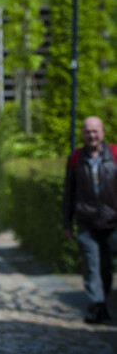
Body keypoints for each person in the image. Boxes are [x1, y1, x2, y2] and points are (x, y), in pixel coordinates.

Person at [62, 115, 117, 324]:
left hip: (112, 222)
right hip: (86, 221)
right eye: (88, 131)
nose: (92, 135)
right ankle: (96, 305)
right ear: (83, 134)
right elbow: (69, 191)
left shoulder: (115, 154)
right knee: (91, 265)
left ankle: (102, 304)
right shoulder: (76, 158)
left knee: (106, 267)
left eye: (95, 131)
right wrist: (67, 221)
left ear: (102, 132)